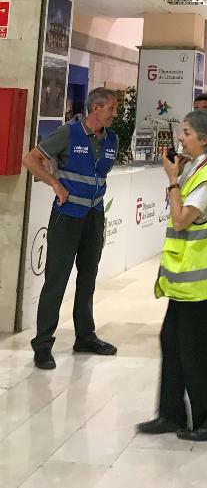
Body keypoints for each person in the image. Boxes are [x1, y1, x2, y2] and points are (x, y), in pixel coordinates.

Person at [137, 109, 207, 442]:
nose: (180, 137)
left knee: (195, 348)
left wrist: (172, 180)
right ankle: (171, 414)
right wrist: (177, 175)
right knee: (171, 340)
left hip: (200, 280)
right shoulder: (198, 169)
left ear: (204, 139)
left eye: (186, 132)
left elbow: (182, 219)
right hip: (188, 280)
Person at [22, 87, 120, 370]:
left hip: (94, 215)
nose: (115, 113)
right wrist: (55, 183)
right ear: (97, 108)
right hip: (67, 216)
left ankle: (85, 336)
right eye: (111, 108)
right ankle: (42, 344)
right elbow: (31, 160)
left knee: (88, 277)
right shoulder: (69, 133)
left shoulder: (112, 138)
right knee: (57, 279)